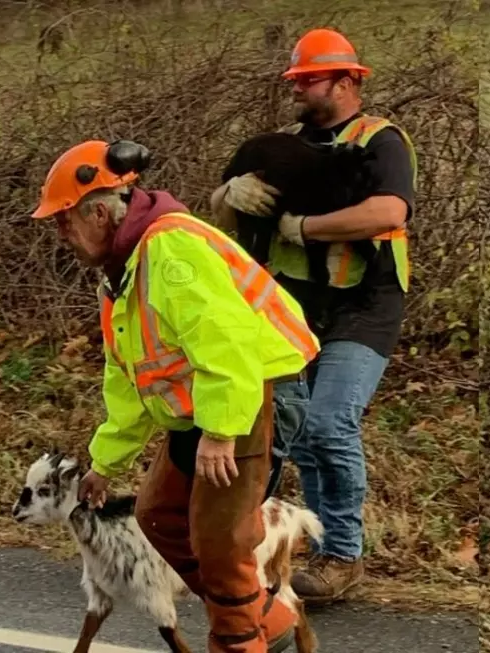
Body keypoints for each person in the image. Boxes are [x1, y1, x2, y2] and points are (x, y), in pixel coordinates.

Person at [30, 138, 320, 653]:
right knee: (159, 515)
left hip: (253, 397)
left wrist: (219, 432)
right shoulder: (120, 279)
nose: (60, 233)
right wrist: (103, 463)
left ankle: (240, 638)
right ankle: (267, 619)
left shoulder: (171, 249)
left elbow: (227, 347)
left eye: (63, 220)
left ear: (98, 213)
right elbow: (129, 382)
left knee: (220, 544)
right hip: (207, 407)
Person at [209, 27, 418, 604]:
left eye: (308, 80)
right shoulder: (285, 145)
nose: (298, 90)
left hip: (367, 304)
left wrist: (303, 229)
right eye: (296, 81)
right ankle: (304, 547)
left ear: (348, 81)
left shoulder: (381, 141)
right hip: (296, 309)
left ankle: (343, 555)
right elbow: (220, 216)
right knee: (297, 431)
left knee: (330, 423)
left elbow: (387, 210)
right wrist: (231, 195)